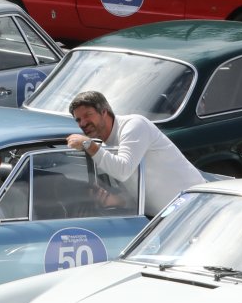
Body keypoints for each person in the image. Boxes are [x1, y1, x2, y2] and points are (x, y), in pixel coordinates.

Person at [66, 89, 203, 216]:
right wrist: (118, 200)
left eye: (88, 115)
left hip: (195, 206)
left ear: (104, 112)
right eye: (78, 120)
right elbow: (136, 188)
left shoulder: (134, 125)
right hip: (165, 216)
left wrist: (88, 145)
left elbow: (123, 170)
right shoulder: (105, 147)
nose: (83, 123)